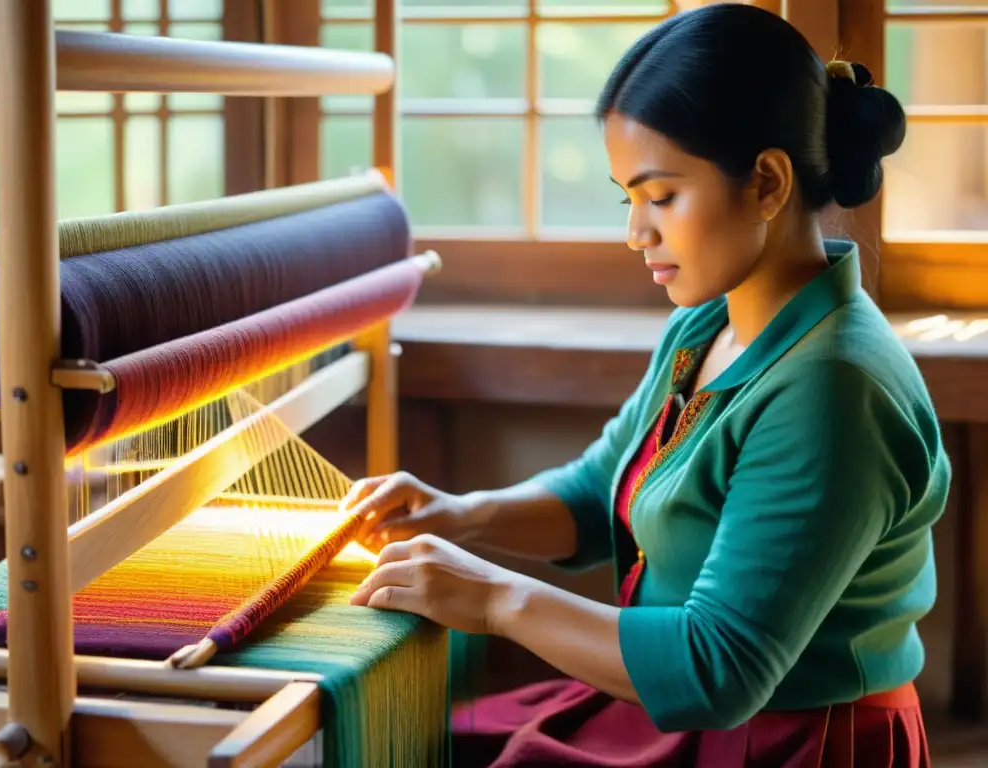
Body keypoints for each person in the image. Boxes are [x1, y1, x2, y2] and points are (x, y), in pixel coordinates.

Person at [344, 4, 948, 766]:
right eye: (626, 197)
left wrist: (496, 598)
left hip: (792, 740)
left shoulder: (834, 389)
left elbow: (718, 669)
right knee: (429, 741)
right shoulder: (707, 328)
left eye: (660, 196)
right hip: (681, 709)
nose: (636, 232)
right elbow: (604, 491)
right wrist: (460, 514)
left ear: (766, 182)